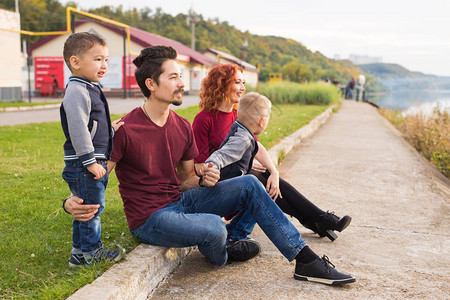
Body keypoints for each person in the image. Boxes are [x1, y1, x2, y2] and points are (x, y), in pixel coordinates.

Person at [192, 64, 352, 245]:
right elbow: (198, 166)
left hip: (241, 178)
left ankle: (318, 220)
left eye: (244, 82)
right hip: (218, 185)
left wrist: (274, 172)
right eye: (237, 82)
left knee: (268, 178)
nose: (243, 87)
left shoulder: (237, 115)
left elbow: (256, 146)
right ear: (221, 84)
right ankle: (319, 220)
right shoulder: (204, 119)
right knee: (257, 178)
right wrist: (240, 163)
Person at [60, 32, 124, 267]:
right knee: (91, 208)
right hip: (84, 163)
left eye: (106, 59)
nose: (104, 65)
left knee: (86, 204)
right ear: (75, 62)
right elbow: (78, 129)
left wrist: (112, 129)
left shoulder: (89, 87)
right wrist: (89, 162)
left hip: (89, 162)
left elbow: (93, 126)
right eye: (98, 59)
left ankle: (79, 252)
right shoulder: (77, 90)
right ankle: (90, 253)